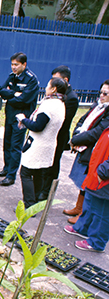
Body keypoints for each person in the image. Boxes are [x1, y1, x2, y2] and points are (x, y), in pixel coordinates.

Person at [64, 80, 109, 224]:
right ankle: (78, 207)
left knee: (88, 182)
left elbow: (97, 133)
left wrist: (76, 140)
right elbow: (82, 121)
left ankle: (83, 214)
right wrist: (76, 134)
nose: (101, 95)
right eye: (100, 92)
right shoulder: (97, 105)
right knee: (81, 180)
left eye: (105, 93)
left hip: (94, 151)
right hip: (84, 148)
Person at [17, 78, 66, 209]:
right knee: (38, 173)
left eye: (48, 85)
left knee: (25, 173)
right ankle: (35, 201)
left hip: (38, 144)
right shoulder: (61, 104)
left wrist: (24, 119)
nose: (46, 88)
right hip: (49, 144)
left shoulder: (49, 105)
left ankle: (29, 204)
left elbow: (38, 126)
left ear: (54, 88)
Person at [0, 52, 39, 186]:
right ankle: (6, 168)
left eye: (16, 64)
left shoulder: (31, 79)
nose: (13, 67)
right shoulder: (12, 76)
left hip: (21, 117)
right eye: (12, 64)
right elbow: (1, 91)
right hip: (10, 115)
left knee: (15, 146)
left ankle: (11, 175)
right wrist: (14, 93)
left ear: (24, 64)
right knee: (7, 143)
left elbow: (24, 99)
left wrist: (11, 97)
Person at [64, 127, 109, 252]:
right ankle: (82, 228)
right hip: (96, 173)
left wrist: (103, 172)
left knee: (103, 212)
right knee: (90, 204)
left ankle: (96, 242)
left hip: (104, 177)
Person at [39, 66, 79, 200]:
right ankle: (40, 188)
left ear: (65, 80)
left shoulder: (71, 98)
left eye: (55, 79)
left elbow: (63, 120)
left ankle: (46, 192)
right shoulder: (54, 95)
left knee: (53, 163)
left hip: (58, 137)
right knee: (44, 163)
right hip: (47, 135)